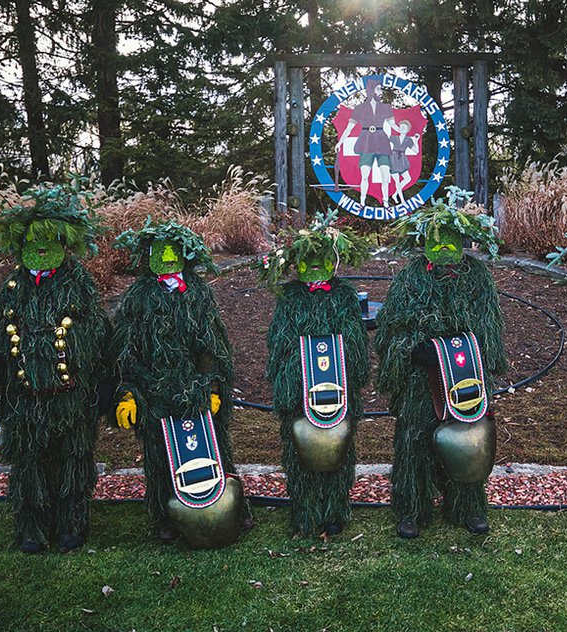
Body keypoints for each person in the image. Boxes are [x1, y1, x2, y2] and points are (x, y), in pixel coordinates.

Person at [0, 186, 110, 553]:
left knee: (73, 460)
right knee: (28, 465)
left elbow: (101, 337)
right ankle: (32, 528)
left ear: (63, 243)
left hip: (71, 398)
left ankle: (72, 523)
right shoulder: (11, 290)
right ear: (20, 247)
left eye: (49, 241)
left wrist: (106, 382)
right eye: (32, 242)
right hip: (24, 401)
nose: (40, 249)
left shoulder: (79, 287)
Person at [375, 187, 506, 538]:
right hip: (422, 380)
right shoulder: (409, 278)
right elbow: (391, 329)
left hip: (467, 376)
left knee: (467, 436)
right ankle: (412, 510)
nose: (445, 246)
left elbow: (490, 329)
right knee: (415, 442)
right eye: (438, 238)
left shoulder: (478, 278)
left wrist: (477, 353)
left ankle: (466, 507)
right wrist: (411, 350)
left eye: (452, 238)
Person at [111, 220, 251, 548]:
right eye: (161, 251)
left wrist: (214, 386)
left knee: (215, 449)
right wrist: (129, 393)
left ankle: (232, 507)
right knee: (159, 456)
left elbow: (212, 344)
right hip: (154, 389)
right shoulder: (137, 298)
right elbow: (124, 352)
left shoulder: (199, 293)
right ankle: (167, 517)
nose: (169, 256)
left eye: (175, 250)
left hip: (196, 388)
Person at [257, 212, 371, 537]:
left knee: (338, 452)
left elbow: (356, 344)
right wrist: (294, 378)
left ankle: (334, 510)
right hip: (300, 394)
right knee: (300, 454)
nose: (316, 265)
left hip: (338, 393)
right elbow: (279, 346)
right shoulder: (289, 299)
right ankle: (305, 513)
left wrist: (344, 371)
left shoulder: (344, 297)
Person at [337, 77, 397, 206]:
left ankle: (386, 203)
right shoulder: (359, 108)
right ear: (371, 90)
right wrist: (340, 142)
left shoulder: (386, 107)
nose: (380, 91)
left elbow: (394, 126)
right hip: (366, 143)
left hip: (382, 142)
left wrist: (405, 132)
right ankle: (362, 202)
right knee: (364, 176)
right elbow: (349, 128)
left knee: (385, 177)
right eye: (378, 88)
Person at [388, 119, 421, 204]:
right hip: (393, 159)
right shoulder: (394, 137)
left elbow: (416, 151)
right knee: (397, 181)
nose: (402, 128)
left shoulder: (408, 140)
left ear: (407, 130)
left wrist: (416, 141)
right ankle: (402, 200)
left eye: (404, 127)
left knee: (408, 178)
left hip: (402, 160)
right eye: (401, 127)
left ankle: (395, 194)